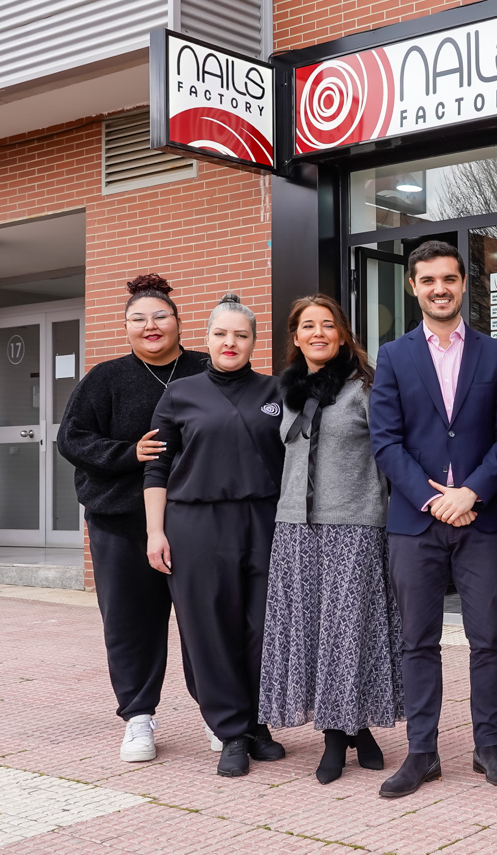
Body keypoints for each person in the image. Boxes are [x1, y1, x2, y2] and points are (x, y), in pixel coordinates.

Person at [369, 240, 497, 798]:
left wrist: (473, 493)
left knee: (489, 639)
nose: (439, 288)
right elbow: (385, 443)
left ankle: (488, 746)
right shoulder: (393, 357)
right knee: (417, 641)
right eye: (428, 280)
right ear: (414, 286)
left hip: (479, 522)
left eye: (449, 279)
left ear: (463, 283)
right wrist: (434, 499)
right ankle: (422, 752)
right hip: (415, 522)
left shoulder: (496, 355)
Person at [57, 274, 209, 763]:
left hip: (194, 522)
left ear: (179, 322)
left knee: (205, 622)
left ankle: (220, 714)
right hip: (119, 523)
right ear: (125, 327)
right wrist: (129, 453)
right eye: (139, 319)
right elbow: (72, 439)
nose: (151, 326)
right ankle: (138, 717)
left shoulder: (205, 370)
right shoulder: (104, 378)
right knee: (128, 624)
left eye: (161, 316)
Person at [259, 295, 404, 785]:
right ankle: (356, 728)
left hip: (354, 527)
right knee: (313, 634)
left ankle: (334, 739)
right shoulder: (286, 391)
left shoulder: (366, 386)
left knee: (347, 634)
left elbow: (392, 453)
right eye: (307, 326)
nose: (318, 333)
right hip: (295, 528)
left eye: (328, 325)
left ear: (342, 335)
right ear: (295, 337)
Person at [144, 293, 287, 778]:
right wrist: (155, 532)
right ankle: (230, 731)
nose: (231, 342)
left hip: (264, 521)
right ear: (205, 340)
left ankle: (259, 723)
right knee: (209, 628)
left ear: (253, 342)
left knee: (264, 628)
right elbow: (156, 468)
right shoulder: (180, 393)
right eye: (221, 334)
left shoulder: (276, 392)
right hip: (196, 524)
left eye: (241, 335)